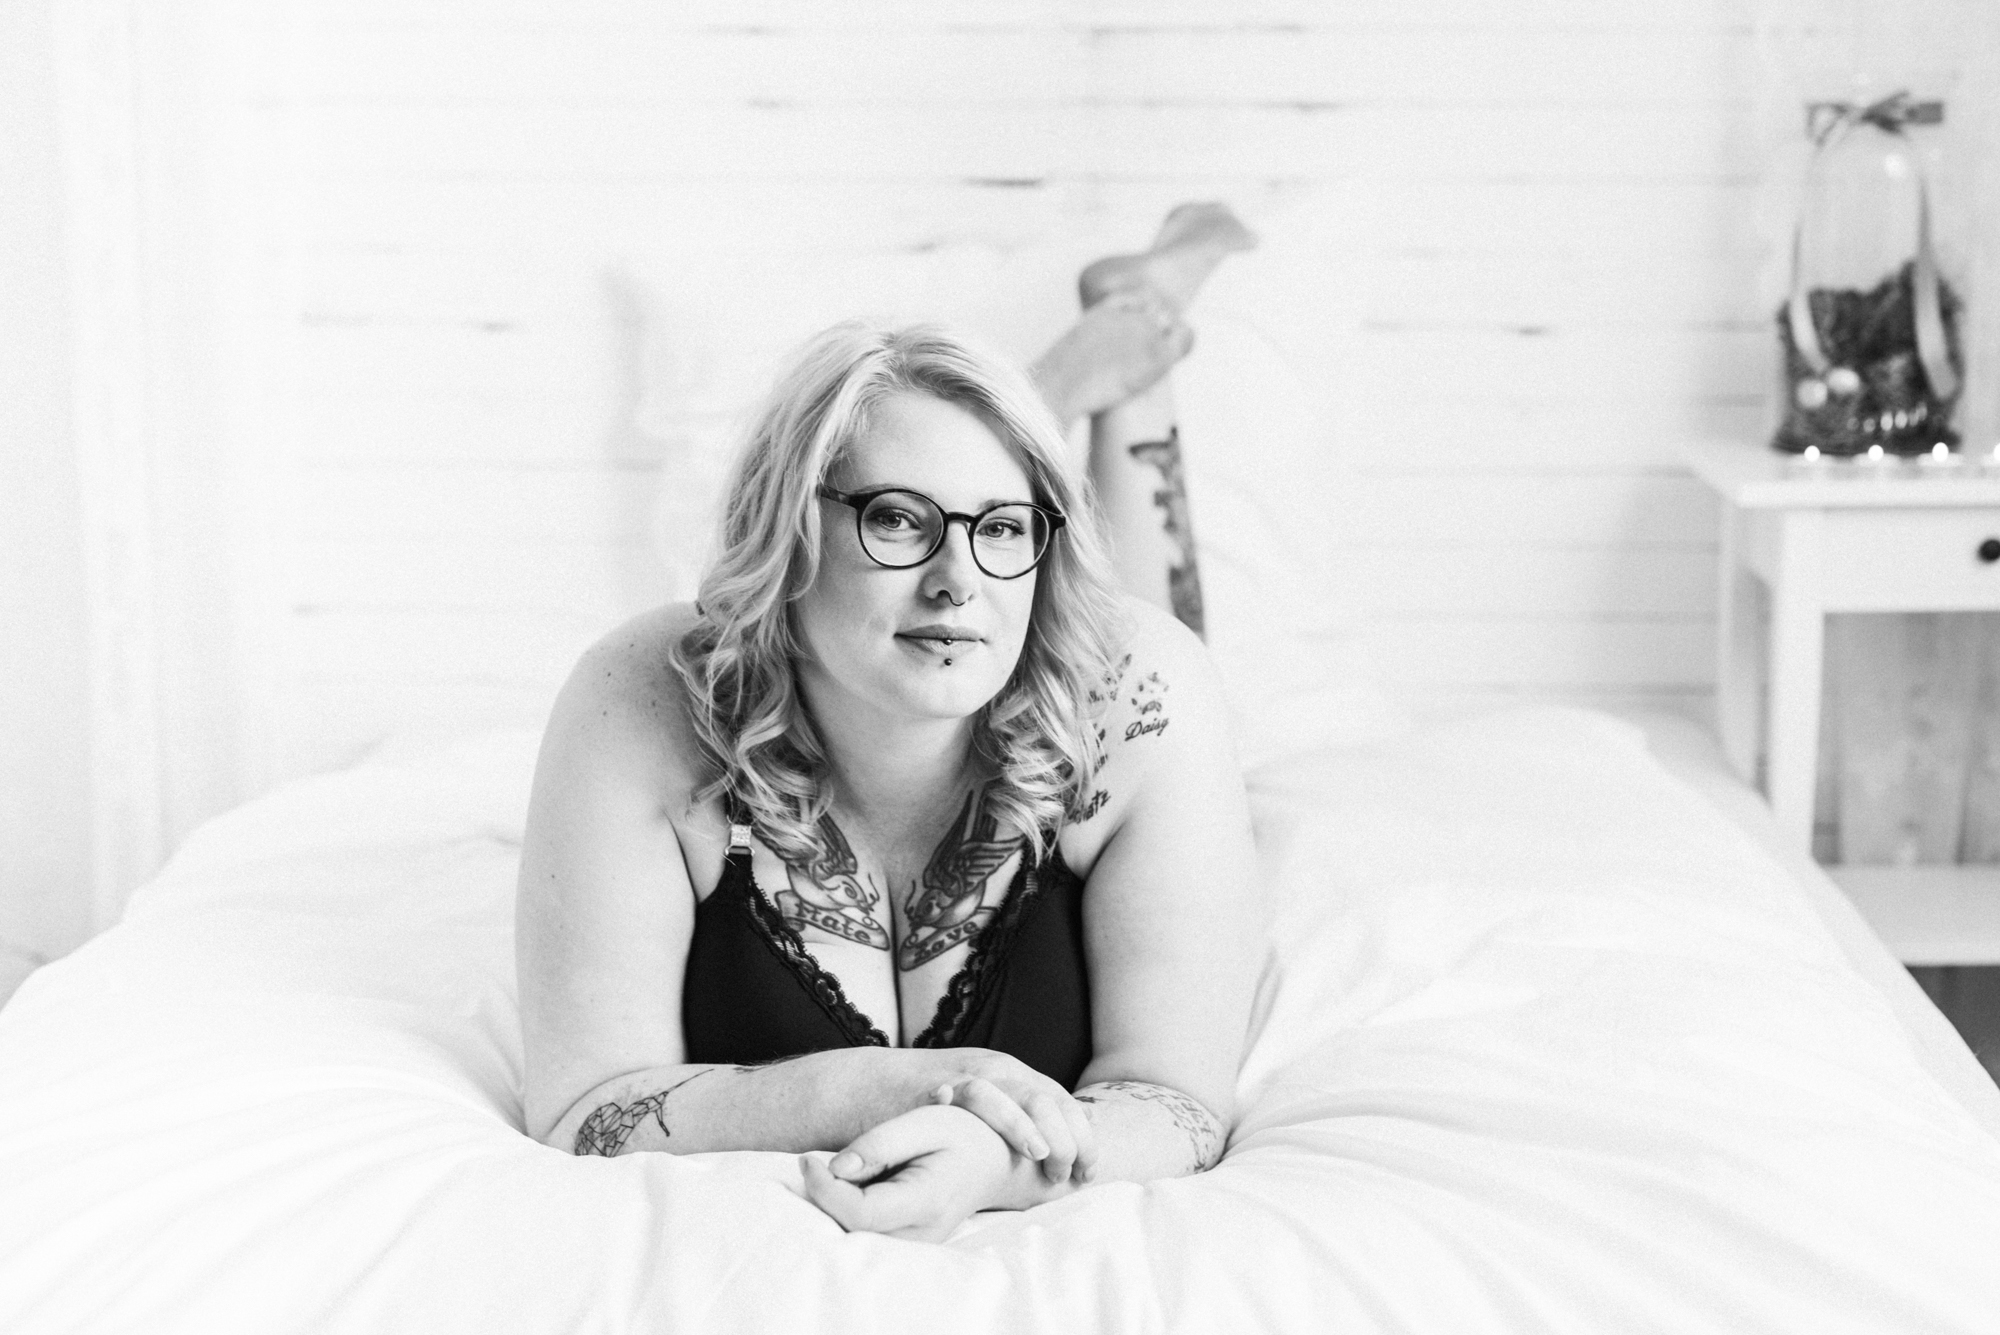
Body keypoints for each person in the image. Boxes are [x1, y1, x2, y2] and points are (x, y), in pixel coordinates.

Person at [515, 205, 1262, 1243]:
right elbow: (582, 1110)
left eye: (1006, 527)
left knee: (1159, 638)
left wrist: (1002, 1163)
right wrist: (886, 1088)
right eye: (896, 519)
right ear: (787, 533)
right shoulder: (641, 699)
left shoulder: (1136, 701)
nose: (958, 578)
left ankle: (1130, 341)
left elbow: (1179, 1101)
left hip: (1098, 689)